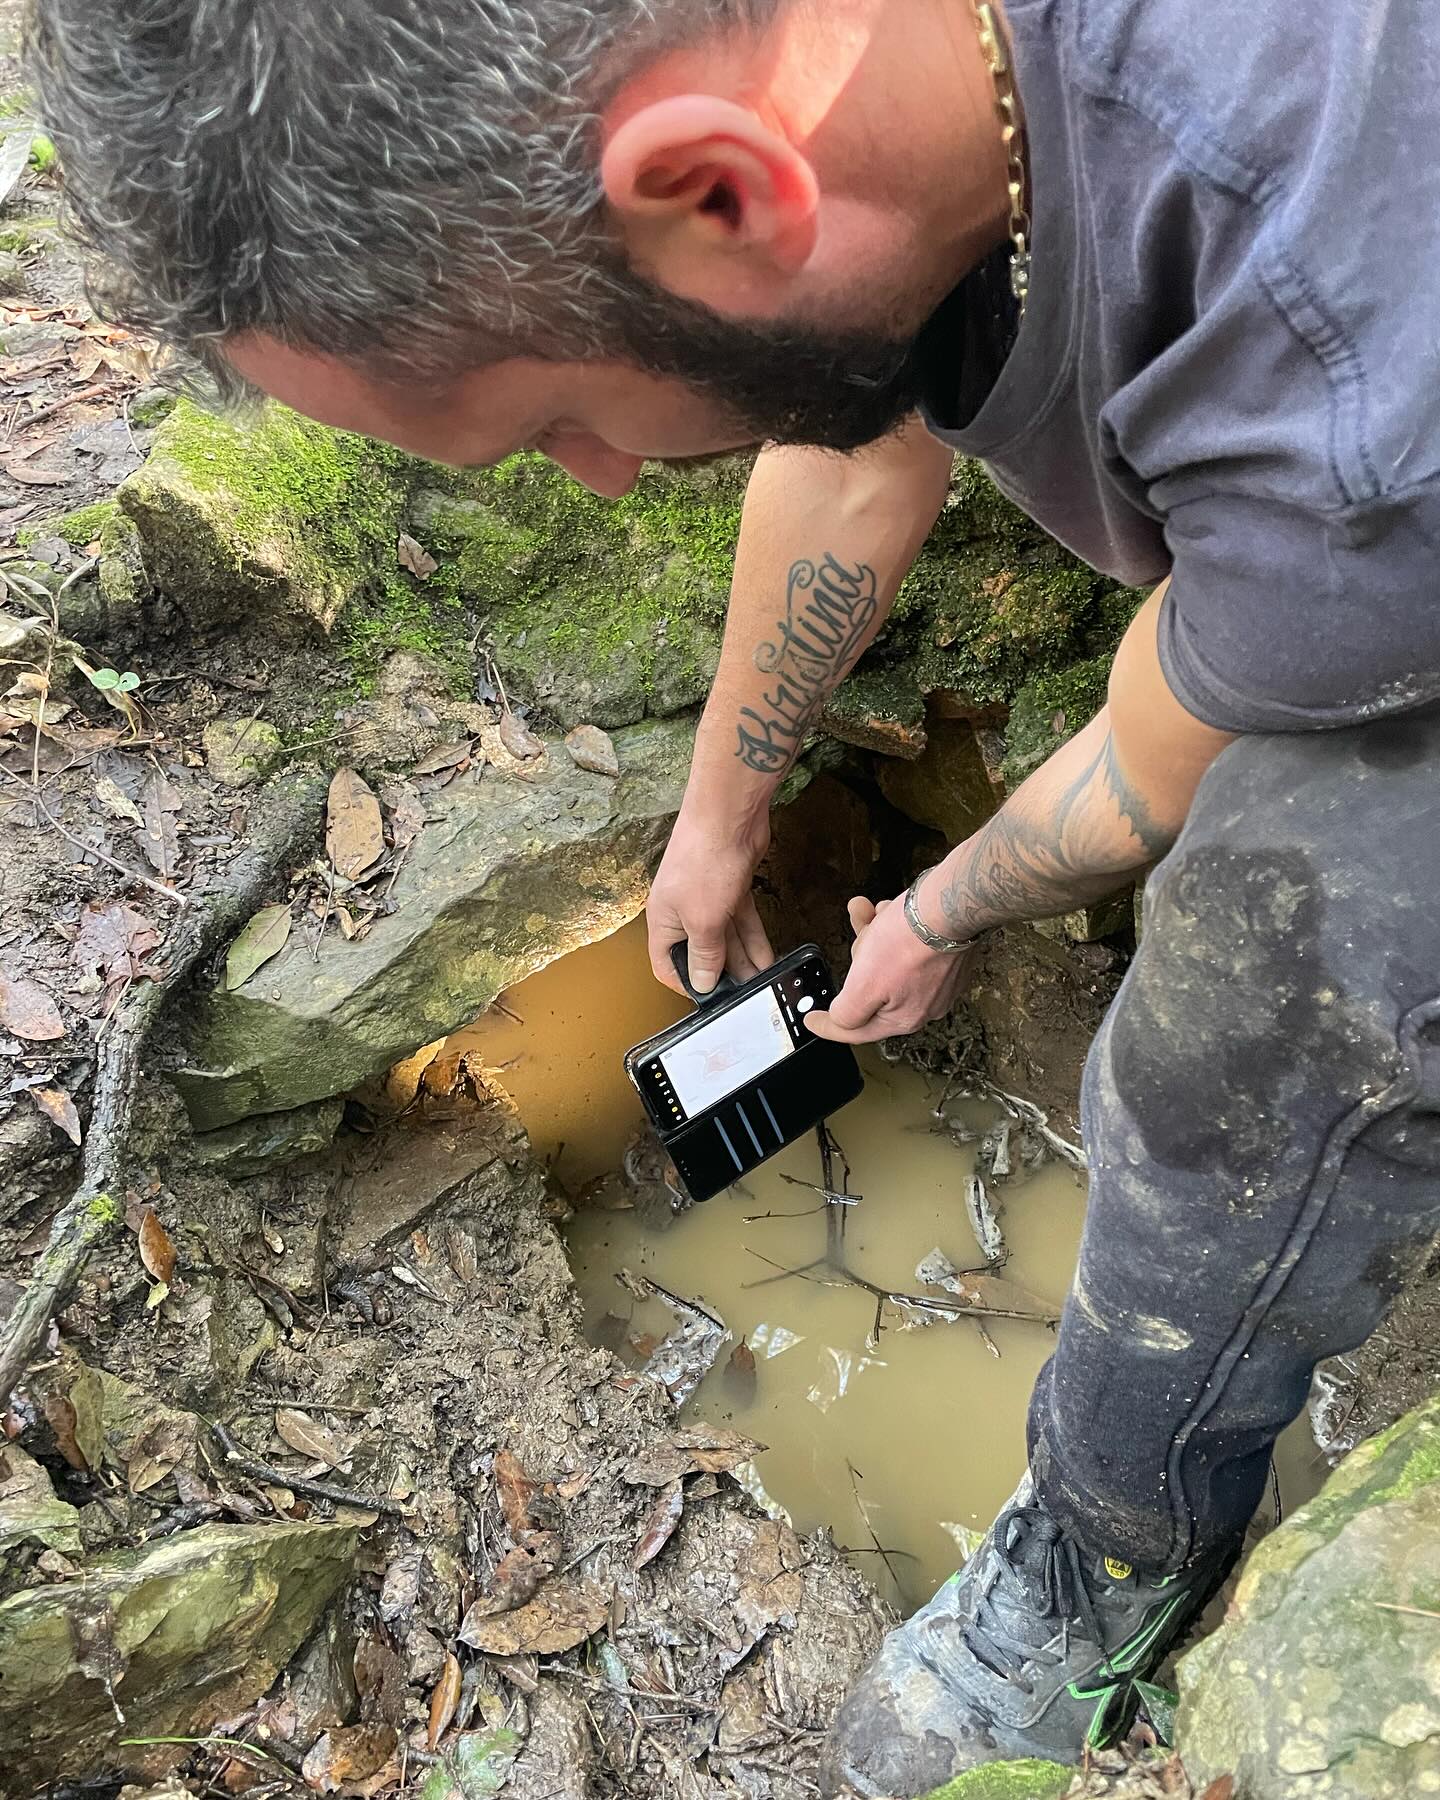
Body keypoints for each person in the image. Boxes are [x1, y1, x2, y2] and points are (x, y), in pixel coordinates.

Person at [30, 0, 1440, 1787]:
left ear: (719, 187)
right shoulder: (892, 114)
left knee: (1244, 1024)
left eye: (553, 418)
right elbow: (852, 428)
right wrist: (720, 812)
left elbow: (1167, 754)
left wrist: (933, 920)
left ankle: (1107, 1559)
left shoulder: (1359, 390)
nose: (606, 477)